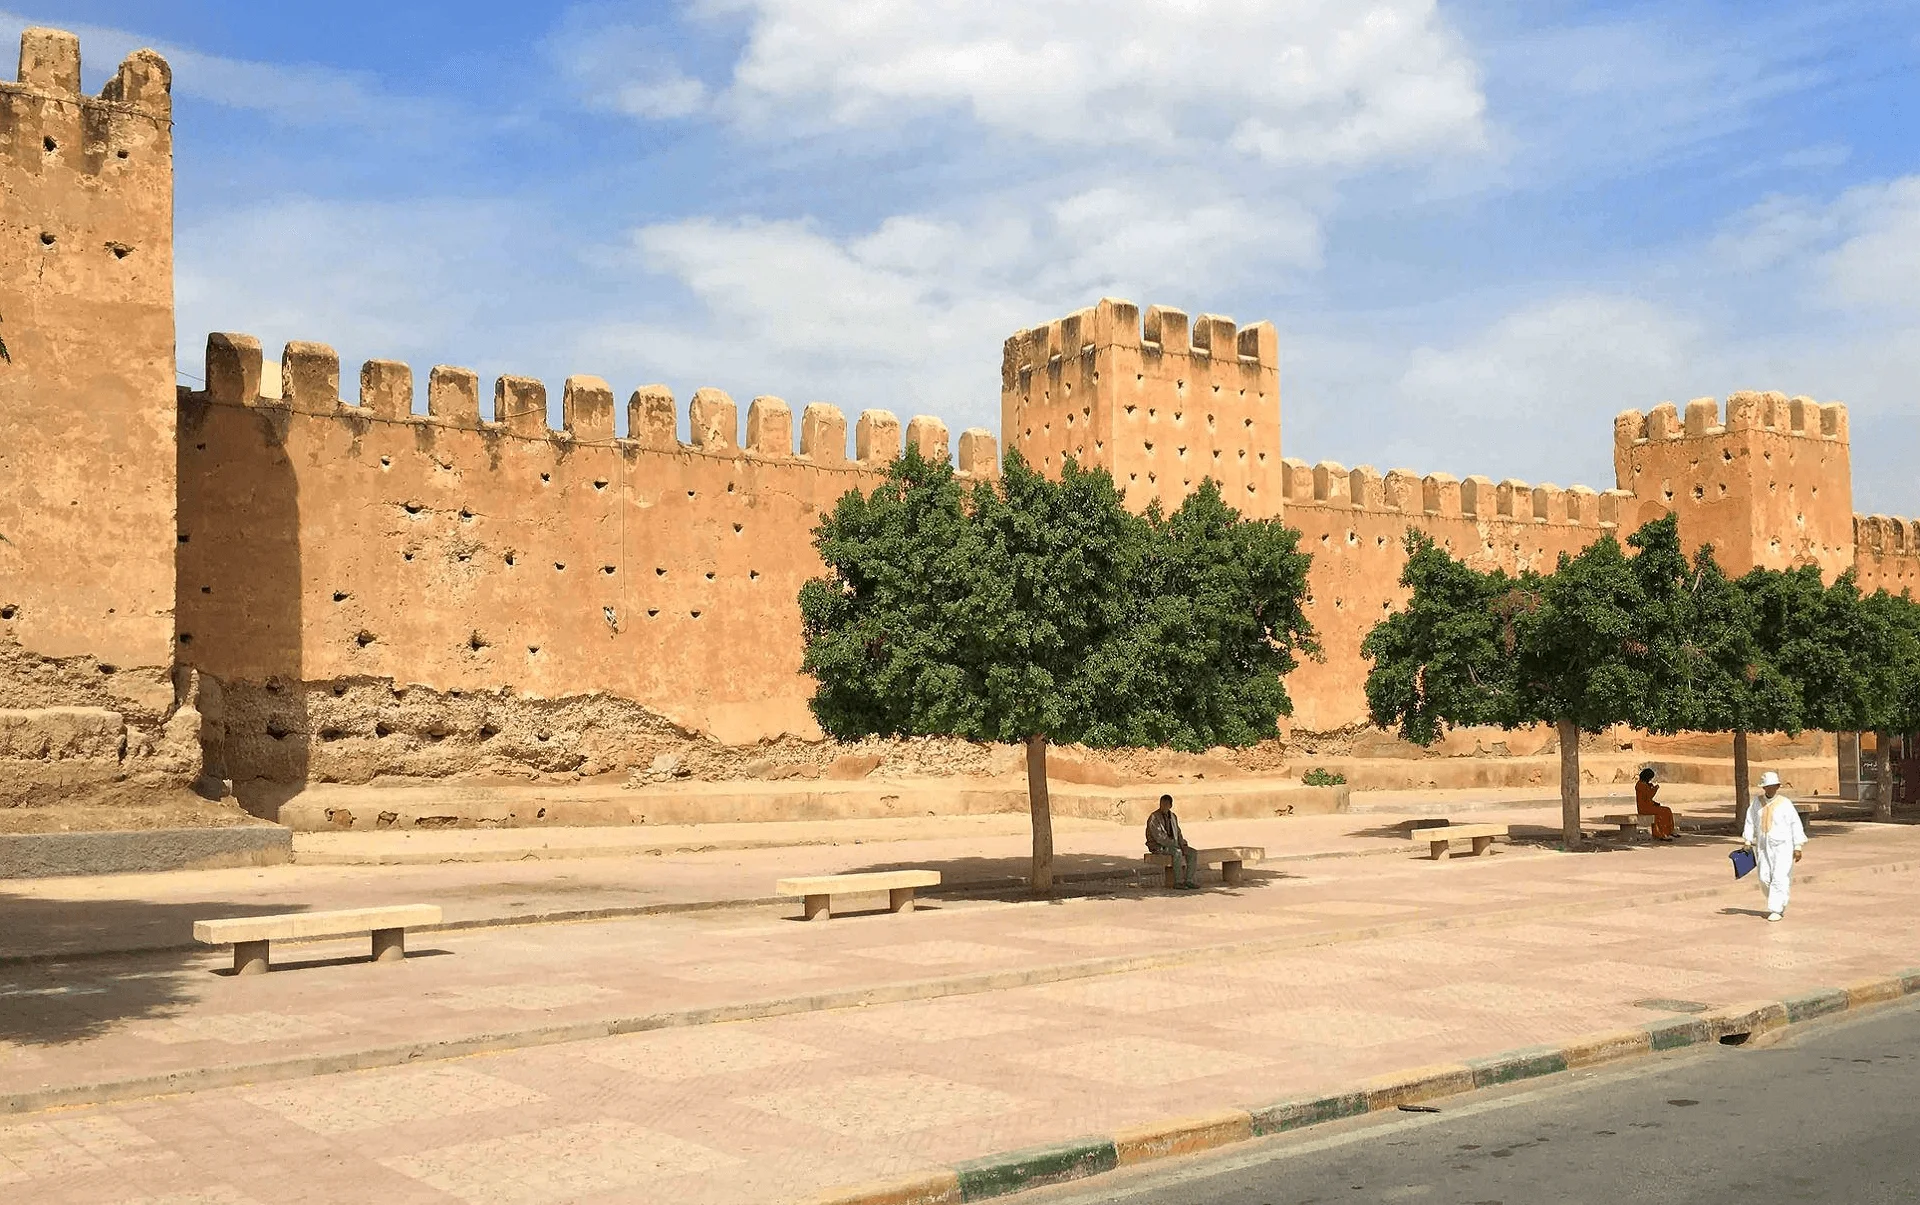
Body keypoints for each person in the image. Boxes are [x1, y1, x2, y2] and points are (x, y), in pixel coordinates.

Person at [1741, 770, 1807, 922]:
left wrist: (1798, 846)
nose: (1770, 789)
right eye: (1767, 786)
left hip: (1782, 846)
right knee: (1764, 877)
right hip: (1763, 846)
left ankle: (1776, 908)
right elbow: (1750, 822)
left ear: (1777, 786)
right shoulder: (1756, 803)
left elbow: (1795, 824)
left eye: (1773, 786)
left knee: (1779, 877)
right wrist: (1747, 841)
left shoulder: (1785, 804)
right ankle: (1778, 900)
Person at [1145, 793, 1199, 889]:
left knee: (1192, 852)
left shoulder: (1173, 816)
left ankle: (1189, 880)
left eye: (1166, 804)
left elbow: (1178, 832)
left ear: (1170, 806)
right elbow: (1159, 837)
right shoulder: (1154, 817)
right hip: (1158, 846)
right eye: (1162, 804)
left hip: (1174, 844)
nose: (1163, 807)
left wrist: (1182, 843)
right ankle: (1178, 882)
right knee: (1177, 852)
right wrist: (1175, 844)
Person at [1635, 767, 1676, 841]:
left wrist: (1655, 803)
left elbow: (1647, 799)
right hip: (1644, 809)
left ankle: (1669, 831)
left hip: (1649, 806)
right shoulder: (1641, 785)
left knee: (1667, 810)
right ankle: (1661, 833)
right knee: (1662, 812)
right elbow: (1649, 796)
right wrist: (1655, 789)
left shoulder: (1643, 784)